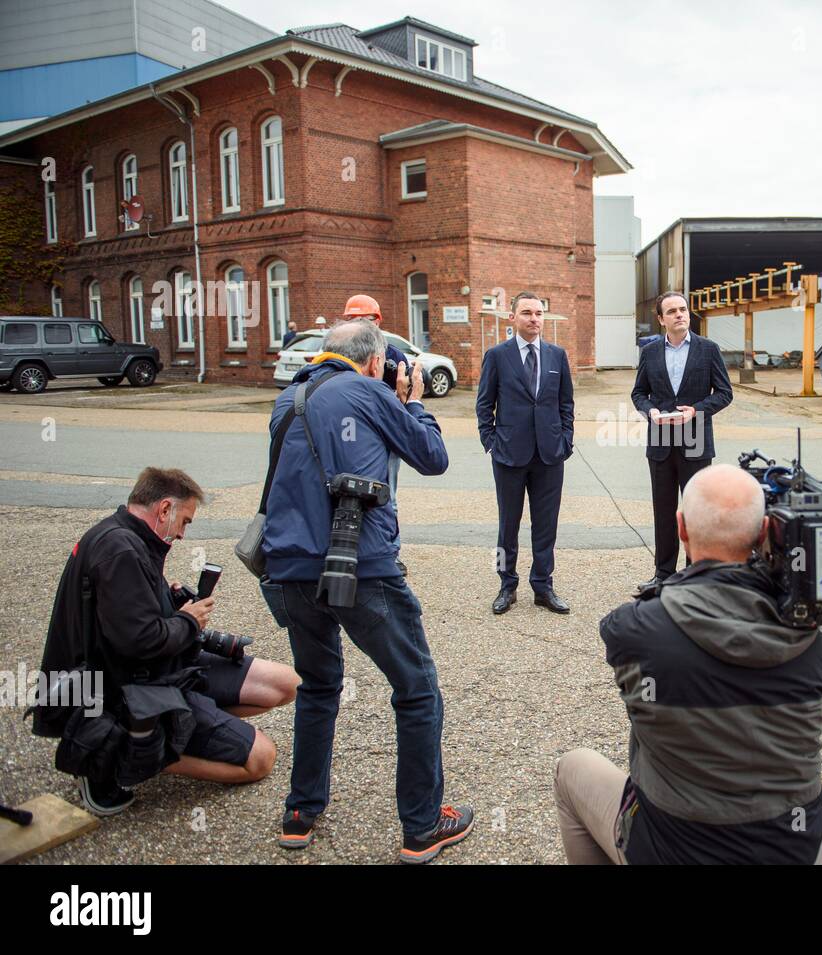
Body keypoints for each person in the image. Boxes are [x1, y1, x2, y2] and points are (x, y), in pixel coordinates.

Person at [259, 319, 474, 862]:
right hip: (360, 568)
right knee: (417, 688)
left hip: (287, 569)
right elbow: (432, 457)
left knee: (318, 683)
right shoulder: (368, 390)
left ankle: (300, 812)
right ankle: (422, 826)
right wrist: (413, 403)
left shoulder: (290, 398)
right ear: (376, 360)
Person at [555, 464, 822, 864]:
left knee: (571, 769)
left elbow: (619, 639)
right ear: (763, 533)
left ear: (681, 528)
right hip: (789, 849)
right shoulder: (813, 641)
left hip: (671, 850)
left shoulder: (637, 631)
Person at [33, 467, 297, 817]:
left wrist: (166, 600)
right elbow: (139, 642)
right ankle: (125, 754)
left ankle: (177, 729)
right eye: (185, 521)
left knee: (287, 684)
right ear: (163, 509)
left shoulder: (127, 538)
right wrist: (189, 620)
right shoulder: (120, 551)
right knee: (261, 760)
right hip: (129, 688)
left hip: (170, 666)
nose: (183, 534)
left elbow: (132, 617)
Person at [475, 291, 574, 615]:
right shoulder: (497, 355)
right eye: (527, 313)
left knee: (546, 525)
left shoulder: (557, 355)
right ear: (512, 318)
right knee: (508, 525)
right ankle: (507, 584)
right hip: (509, 455)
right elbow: (484, 404)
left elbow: (565, 403)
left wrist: (565, 440)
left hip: (549, 455)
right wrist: (490, 441)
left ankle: (543, 586)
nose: (534, 319)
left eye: (539, 313)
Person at [630, 291, 733, 595]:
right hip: (661, 444)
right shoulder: (649, 353)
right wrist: (650, 412)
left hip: (696, 442)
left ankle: (694, 576)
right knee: (664, 512)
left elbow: (724, 393)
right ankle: (663, 575)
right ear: (661, 319)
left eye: (683, 309)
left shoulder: (708, 350)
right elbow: (639, 393)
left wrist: (697, 410)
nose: (679, 314)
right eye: (672, 311)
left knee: (696, 513)